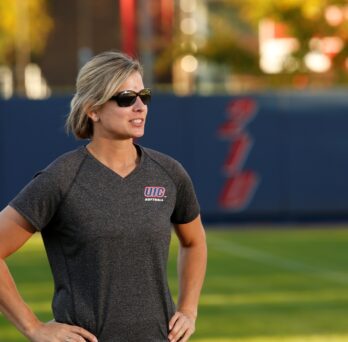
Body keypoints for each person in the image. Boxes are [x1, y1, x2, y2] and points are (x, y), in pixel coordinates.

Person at [0, 51, 207, 342]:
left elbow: (194, 241)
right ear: (93, 110)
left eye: (143, 96)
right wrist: (32, 327)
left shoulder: (169, 173)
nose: (139, 106)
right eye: (125, 98)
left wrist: (188, 309)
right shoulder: (61, 178)